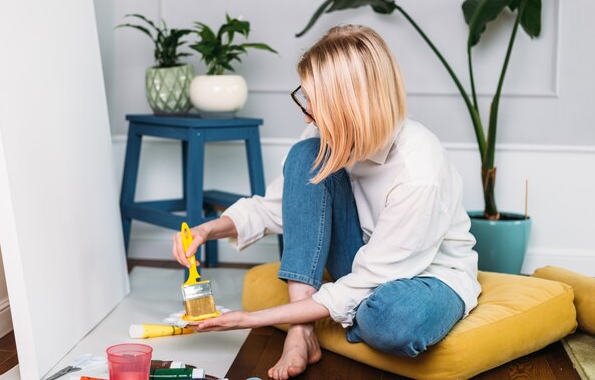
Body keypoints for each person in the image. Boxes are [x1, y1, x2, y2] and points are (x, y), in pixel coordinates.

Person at [173, 25, 481, 380]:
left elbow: (372, 278)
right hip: (362, 264)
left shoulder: (418, 169)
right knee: (306, 155)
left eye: (314, 104)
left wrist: (246, 320)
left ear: (349, 108)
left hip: (426, 277)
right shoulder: (325, 134)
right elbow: (279, 206)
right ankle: (301, 334)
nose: (306, 115)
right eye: (305, 98)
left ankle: (337, 315)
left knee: (392, 320)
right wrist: (209, 229)